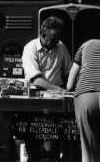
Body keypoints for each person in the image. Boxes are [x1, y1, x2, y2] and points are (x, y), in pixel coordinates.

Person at [22, 16, 72, 162]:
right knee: (34, 136)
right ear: (42, 35)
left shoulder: (61, 46)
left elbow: (69, 71)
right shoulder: (30, 48)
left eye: (58, 37)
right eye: (53, 37)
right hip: (35, 96)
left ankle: (53, 156)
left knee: (56, 135)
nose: (56, 41)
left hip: (56, 97)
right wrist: (57, 89)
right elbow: (36, 79)